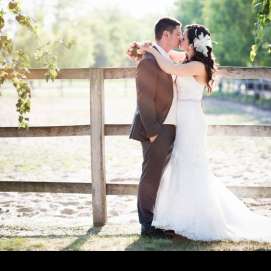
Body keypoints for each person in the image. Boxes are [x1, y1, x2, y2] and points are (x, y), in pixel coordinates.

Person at [131, 23, 271, 242]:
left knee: (191, 165)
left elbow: (168, 67)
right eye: (179, 36)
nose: (180, 41)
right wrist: (146, 47)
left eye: (183, 38)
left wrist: (152, 50)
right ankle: (177, 216)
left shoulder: (197, 66)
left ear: (193, 43)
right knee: (180, 165)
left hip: (191, 120)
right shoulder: (187, 59)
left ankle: (196, 217)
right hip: (182, 120)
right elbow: (168, 54)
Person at [128, 17, 182, 238]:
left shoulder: (165, 58)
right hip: (156, 129)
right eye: (177, 33)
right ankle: (146, 225)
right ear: (166, 35)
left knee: (161, 176)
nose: (180, 37)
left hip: (170, 127)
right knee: (151, 176)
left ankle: (157, 219)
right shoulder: (149, 61)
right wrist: (152, 132)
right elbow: (144, 98)